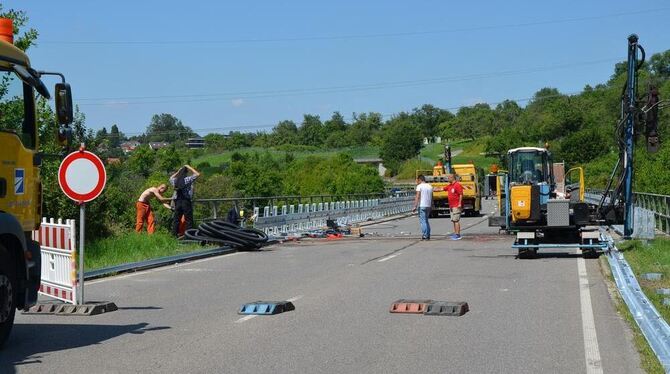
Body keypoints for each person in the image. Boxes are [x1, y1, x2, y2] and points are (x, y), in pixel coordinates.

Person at [169, 165, 200, 237]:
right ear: (186, 173)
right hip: (186, 201)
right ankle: (189, 235)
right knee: (188, 219)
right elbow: (197, 174)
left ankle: (174, 235)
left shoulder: (175, 181)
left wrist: (178, 171)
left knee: (176, 219)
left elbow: (170, 178)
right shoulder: (187, 179)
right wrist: (189, 167)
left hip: (177, 202)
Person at [413, 174, 433, 240]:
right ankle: (428, 235)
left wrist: (415, 206)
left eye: (417, 180)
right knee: (426, 220)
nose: (417, 182)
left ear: (420, 180)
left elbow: (417, 196)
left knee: (423, 221)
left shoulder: (419, 186)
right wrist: (432, 205)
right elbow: (432, 197)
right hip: (428, 205)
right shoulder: (430, 186)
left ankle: (425, 235)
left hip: (422, 205)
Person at [446, 173, 464, 240]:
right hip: (451, 206)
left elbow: (461, 194)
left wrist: (459, 203)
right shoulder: (450, 185)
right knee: (453, 220)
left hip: (456, 205)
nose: (448, 179)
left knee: (456, 220)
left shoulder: (457, 185)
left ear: (452, 178)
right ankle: (456, 233)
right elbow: (443, 188)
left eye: (449, 178)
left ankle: (458, 234)